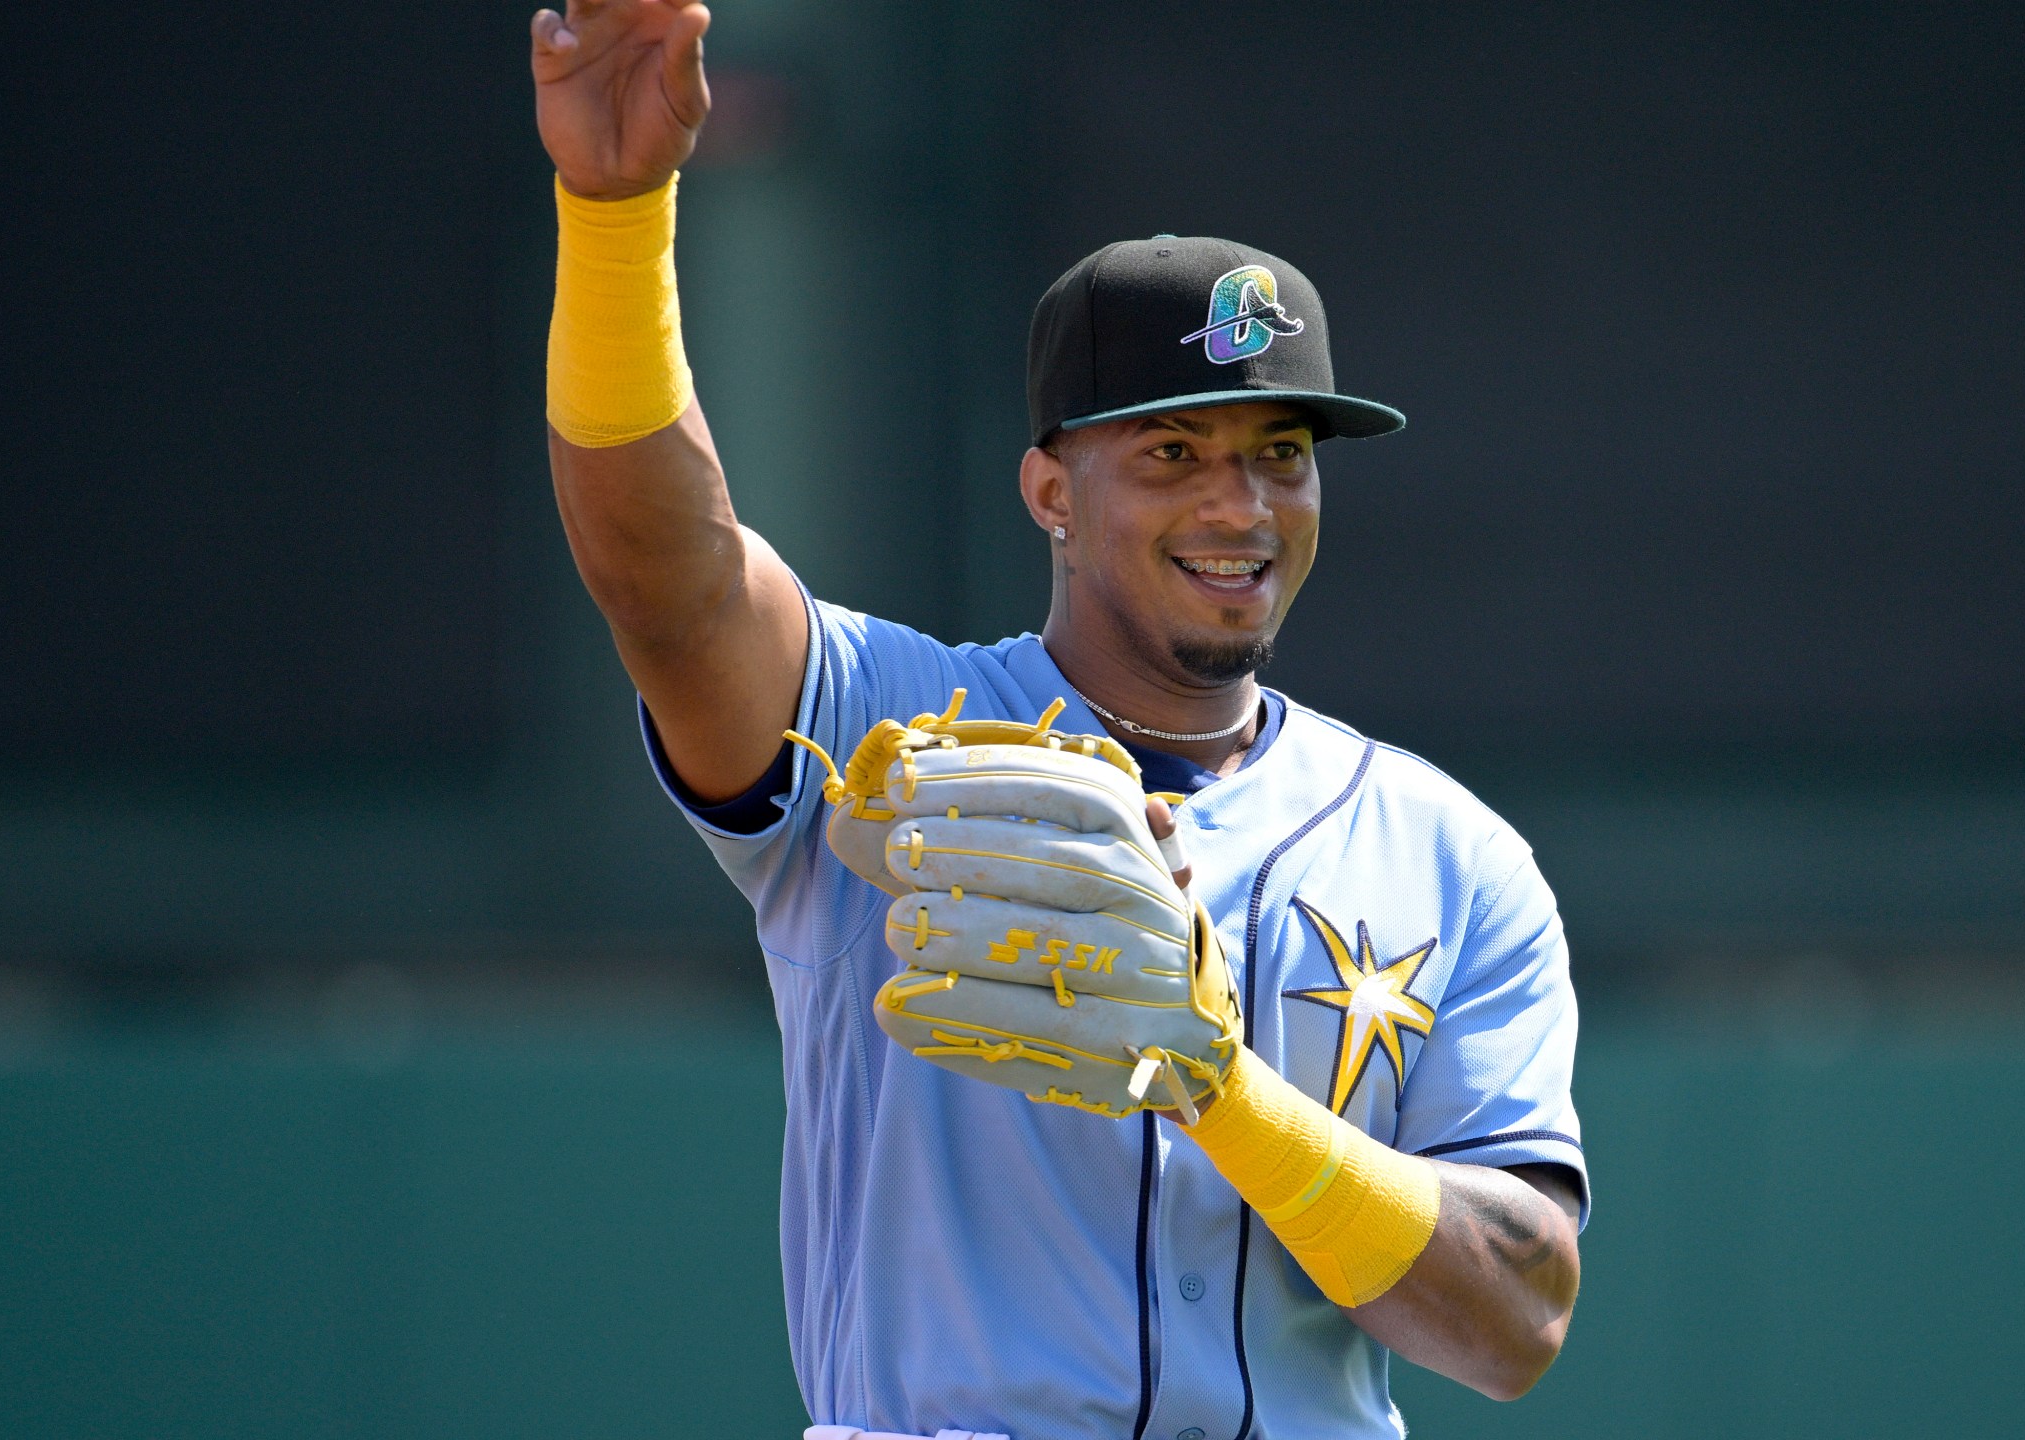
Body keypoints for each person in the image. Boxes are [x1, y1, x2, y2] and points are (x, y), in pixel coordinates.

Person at [531, 4, 1584, 1435]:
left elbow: (1517, 1314)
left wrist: (1226, 1092)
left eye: (1282, 456)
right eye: (1173, 452)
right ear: (1051, 494)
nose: (1241, 505)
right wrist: (612, 220)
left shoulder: (1452, 856)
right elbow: (667, 582)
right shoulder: (890, 724)